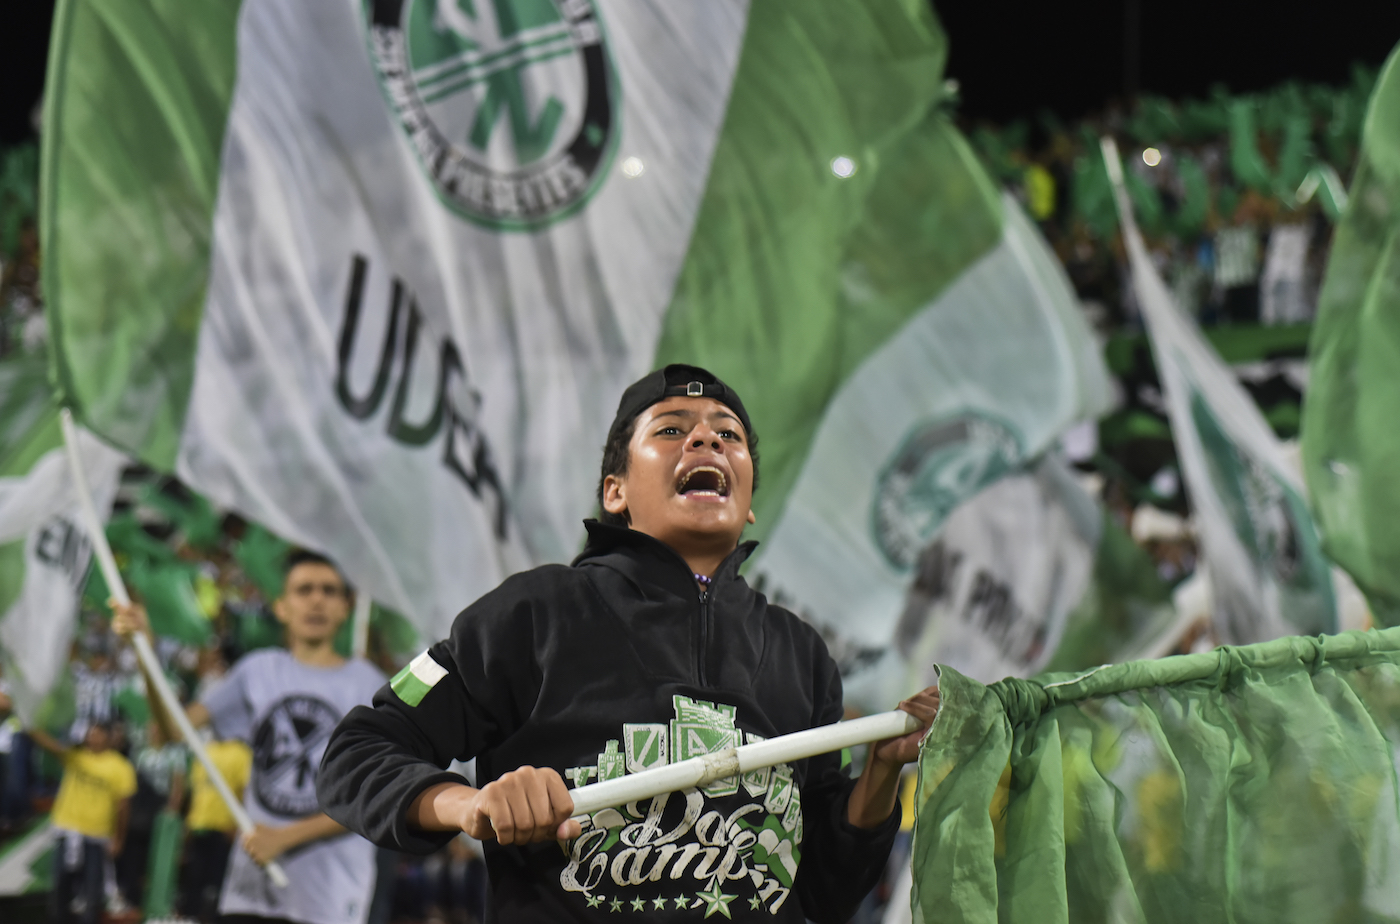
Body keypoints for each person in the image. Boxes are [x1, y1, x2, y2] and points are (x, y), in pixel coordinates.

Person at [318, 364, 940, 922]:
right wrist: (470, 804)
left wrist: (882, 770)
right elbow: (357, 752)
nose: (706, 439)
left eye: (730, 435)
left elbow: (827, 891)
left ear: (749, 501)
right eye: (672, 429)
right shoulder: (534, 614)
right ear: (615, 490)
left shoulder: (803, 655)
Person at [114, 550, 385, 924]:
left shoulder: (370, 685)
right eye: (304, 590)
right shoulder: (257, 670)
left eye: (329, 590)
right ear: (282, 607)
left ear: (345, 607)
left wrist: (284, 839)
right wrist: (146, 653)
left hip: (328, 895)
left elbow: (372, 795)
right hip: (252, 889)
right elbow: (169, 732)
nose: (316, 600)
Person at [27, 720, 136, 924]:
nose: (92, 737)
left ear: (108, 737)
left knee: (93, 889)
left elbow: (124, 807)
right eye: (90, 733)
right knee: (60, 884)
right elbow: (50, 745)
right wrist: (29, 724)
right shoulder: (75, 756)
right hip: (68, 829)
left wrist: (119, 839)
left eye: (98, 733)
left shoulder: (120, 767)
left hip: (97, 835)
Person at [181, 731, 253, 922]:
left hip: (225, 829)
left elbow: (246, 793)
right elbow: (196, 790)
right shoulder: (204, 750)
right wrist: (188, 824)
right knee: (193, 879)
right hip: (199, 825)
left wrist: (239, 826)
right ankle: (191, 918)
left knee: (218, 883)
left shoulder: (241, 752)